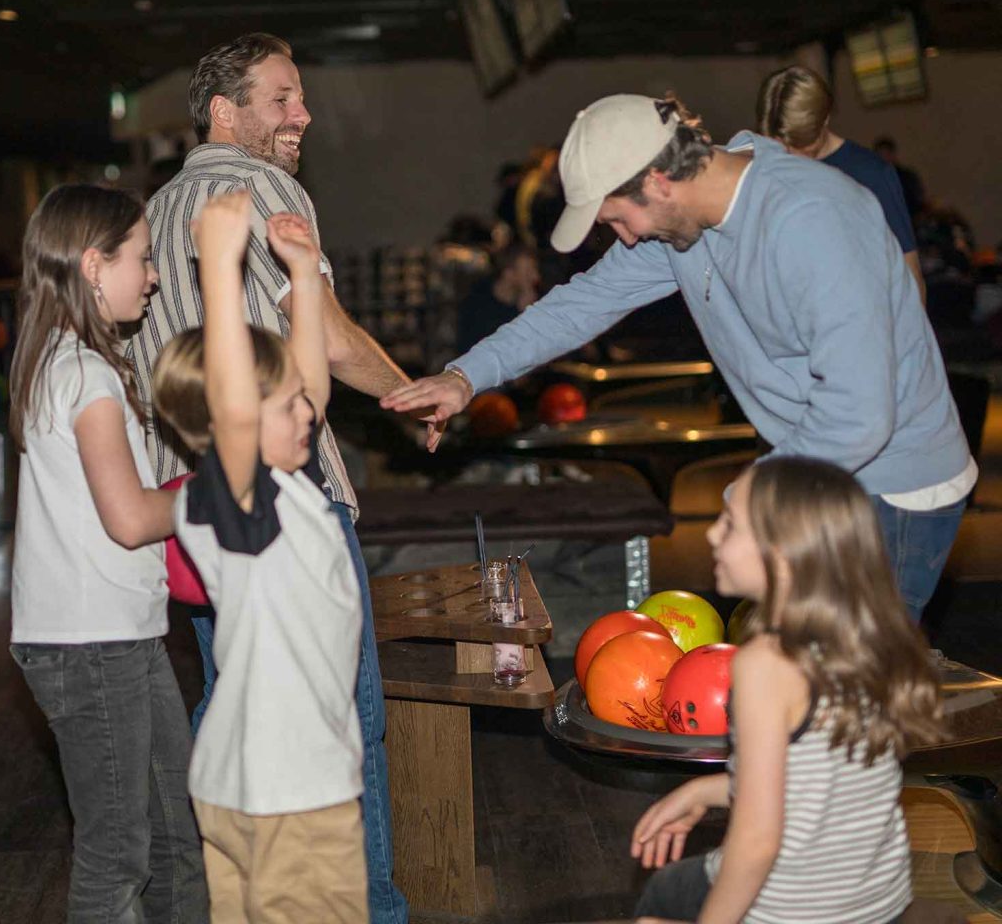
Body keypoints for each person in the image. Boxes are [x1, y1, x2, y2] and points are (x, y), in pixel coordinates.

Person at [382, 92, 976, 619]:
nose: (627, 237)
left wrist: (754, 490)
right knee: (800, 687)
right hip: (819, 469)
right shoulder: (685, 220)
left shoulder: (812, 221)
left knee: (849, 702)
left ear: (659, 181)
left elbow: (860, 413)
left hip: (893, 485)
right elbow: (583, 302)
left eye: (620, 218)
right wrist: (467, 376)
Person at [128, 32, 412, 924]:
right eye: (282, 98)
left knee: (238, 692)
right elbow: (316, 347)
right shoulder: (265, 190)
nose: (304, 115)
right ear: (225, 112)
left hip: (197, 509)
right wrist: (412, 392)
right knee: (345, 718)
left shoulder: (155, 214)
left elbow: (295, 380)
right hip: (288, 506)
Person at [152, 192, 367, 923]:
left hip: (251, 786)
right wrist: (218, 263)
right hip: (290, 798)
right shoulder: (234, 500)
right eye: (282, 408)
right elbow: (240, 407)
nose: (305, 413)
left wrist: (304, 276)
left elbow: (307, 385)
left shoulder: (284, 487)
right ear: (227, 417)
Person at [7, 184, 207, 923]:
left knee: (173, 830)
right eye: (144, 259)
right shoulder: (86, 374)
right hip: (91, 645)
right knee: (118, 851)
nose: (153, 276)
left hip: (114, 636)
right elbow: (130, 519)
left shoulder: (58, 361)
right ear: (94, 265)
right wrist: (214, 495)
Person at [631, 456, 943, 924]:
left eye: (731, 524)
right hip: (875, 904)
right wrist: (703, 791)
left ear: (782, 554)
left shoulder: (766, 665)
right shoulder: (867, 639)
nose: (713, 534)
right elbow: (818, 786)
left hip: (794, 911)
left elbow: (757, 841)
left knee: (663, 894)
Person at [756, 65, 925, 303]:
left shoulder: (871, 173)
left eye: (801, 145)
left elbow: (909, 272)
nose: (789, 155)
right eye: (779, 145)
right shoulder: (769, 170)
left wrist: (910, 338)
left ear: (824, 119)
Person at [456, 240, 540, 353]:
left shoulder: (534, 298)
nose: (536, 277)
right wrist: (521, 315)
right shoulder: (477, 304)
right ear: (509, 274)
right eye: (528, 272)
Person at [874, 135, 926, 221]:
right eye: (880, 155)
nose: (884, 158)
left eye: (886, 154)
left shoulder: (906, 177)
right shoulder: (872, 178)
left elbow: (917, 201)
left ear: (893, 155)